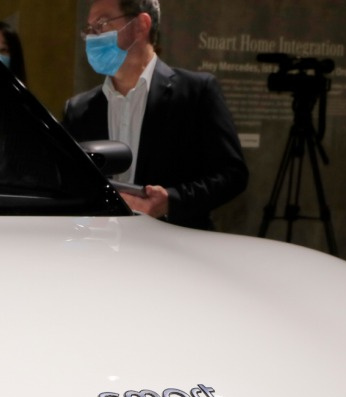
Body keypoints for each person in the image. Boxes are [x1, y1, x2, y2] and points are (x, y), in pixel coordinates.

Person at [63, 0, 247, 230]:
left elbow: (232, 174)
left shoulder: (196, 92)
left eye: (101, 24)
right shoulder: (79, 109)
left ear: (140, 25)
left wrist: (170, 201)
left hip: (176, 242)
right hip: (103, 244)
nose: (92, 37)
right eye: (89, 29)